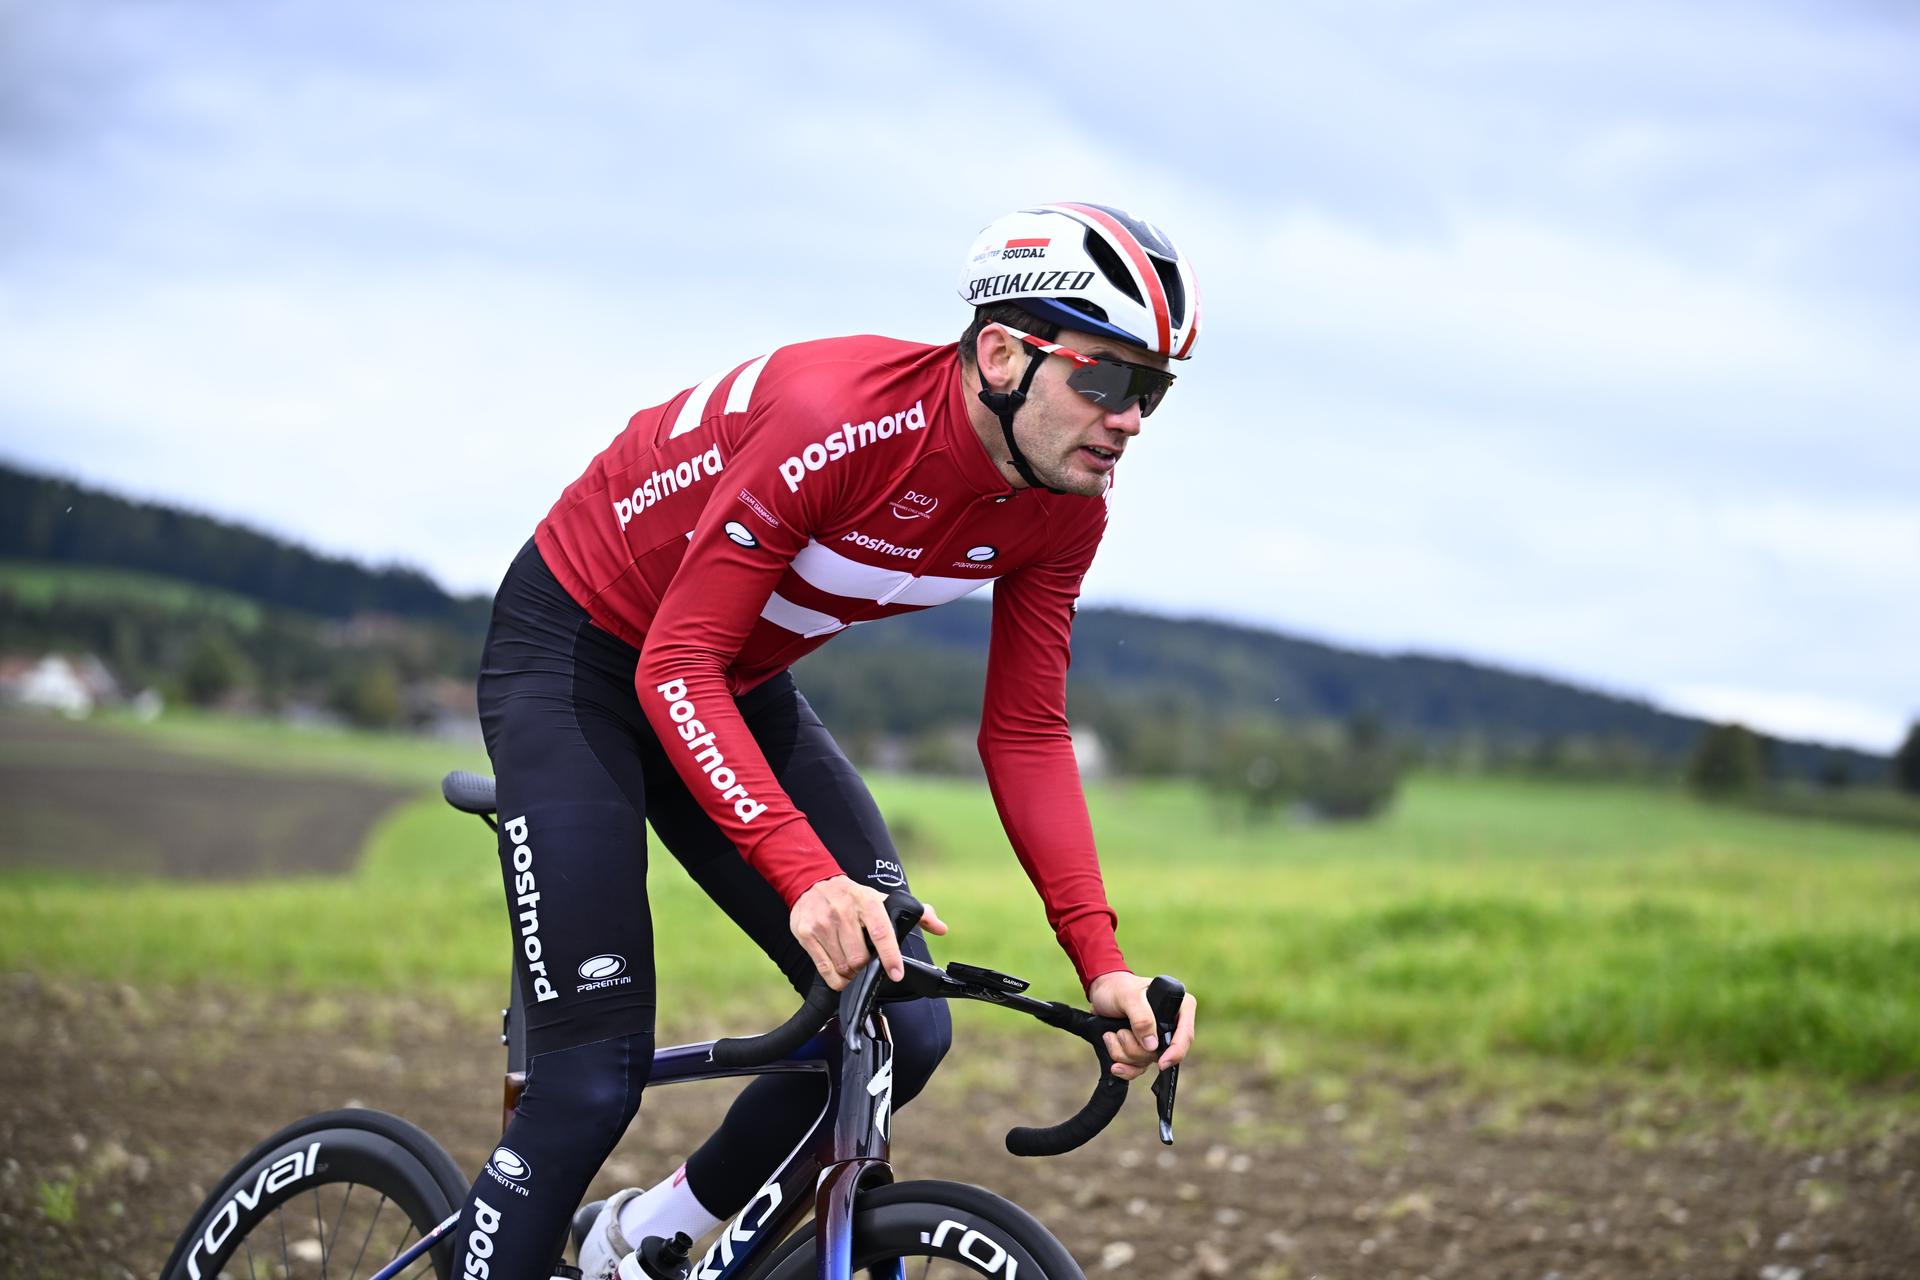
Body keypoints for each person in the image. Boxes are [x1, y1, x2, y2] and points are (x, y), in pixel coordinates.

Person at [453, 201, 1203, 1280]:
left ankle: (649, 1234)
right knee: (586, 1080)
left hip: (729, 675)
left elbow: (1028, 730)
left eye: (1154, 390)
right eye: (1107, 378)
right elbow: (668, 665)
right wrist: (807, 875)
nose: (1129, 417)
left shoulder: (1064, 508)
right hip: (579, 659)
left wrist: (1103, 961)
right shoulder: (834, 421)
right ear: (1000, 351)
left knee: (904, 1019)